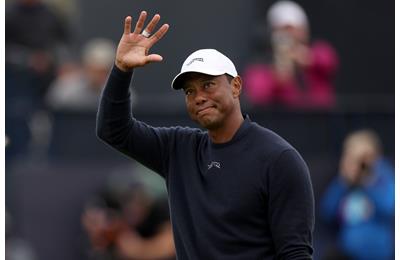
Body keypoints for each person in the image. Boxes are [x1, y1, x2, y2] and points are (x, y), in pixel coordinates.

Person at [97, 11, 314, 259]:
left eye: (208, 84)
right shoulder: (178, 149)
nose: (198, 96)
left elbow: (295, 253)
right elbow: (113, 130)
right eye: (189, 91)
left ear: (236, 86)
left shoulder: (279, 159)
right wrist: (121, 70)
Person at [243, 0, 338, 108]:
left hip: (320, 121)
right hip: (283, 122)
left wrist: (307, 59)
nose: (290, 35)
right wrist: (277, 79)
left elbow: (330, 62)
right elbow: (256, 97)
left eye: (294, 29)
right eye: (283, 30)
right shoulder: (261, 65)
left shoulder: (317, 53)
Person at [320, 130, 394, 260]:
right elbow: (326, 212)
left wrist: (369, 181)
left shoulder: (384, 176)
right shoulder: (344, 183)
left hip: (379, 253)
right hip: (347, 253)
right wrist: (343, 181)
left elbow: (389, 208)